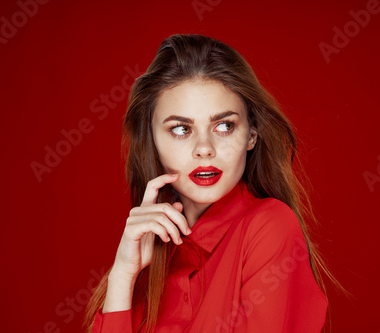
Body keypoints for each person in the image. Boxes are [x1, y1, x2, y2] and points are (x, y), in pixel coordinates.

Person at [84, 34, 344, 333]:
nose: (204, 148)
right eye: (181, 129)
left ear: (251, 135)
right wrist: (123, 275)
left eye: (224, 126)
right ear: (152, 140)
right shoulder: (149, 254)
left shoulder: (270, 226)